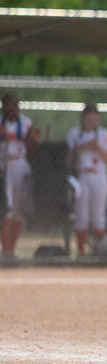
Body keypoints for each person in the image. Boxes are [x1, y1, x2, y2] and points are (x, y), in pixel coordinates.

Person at [66, 103, 107, 257]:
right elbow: (69, 160)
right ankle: (81, 252)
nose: (91, 122)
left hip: (99, 176)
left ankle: (98, 251)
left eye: (94, 118)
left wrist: (98, 147)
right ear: (83, 118)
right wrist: (83, 148)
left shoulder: (104, 134)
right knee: (81, 215)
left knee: (98, 215)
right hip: (82, 176)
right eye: (88, 118)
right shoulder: (75, 134)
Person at [0, 93, 40, 258]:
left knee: (17, 209)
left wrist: (34, 140)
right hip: (3, 164)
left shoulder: (25, 123)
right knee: (6, 208)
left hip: (19, 164)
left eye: (16, 105)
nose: (13, 109)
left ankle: (12, 249)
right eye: (9, 105)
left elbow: (32, 150)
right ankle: (6, 248)